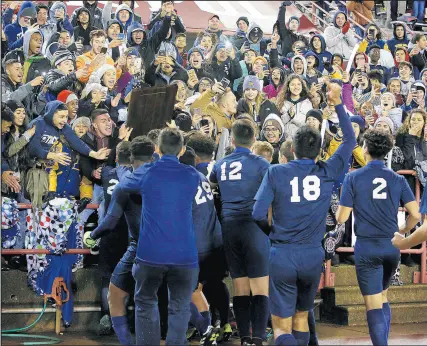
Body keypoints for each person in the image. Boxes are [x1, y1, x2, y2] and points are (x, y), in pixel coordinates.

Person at [252, 81, 356, 346]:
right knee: (301, 319)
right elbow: (352, 140)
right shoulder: (327, 171)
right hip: (313, 255)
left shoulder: (276, 171)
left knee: (281, 327)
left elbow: (256, 214)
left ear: (293, 150)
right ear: (319, 150)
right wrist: (339, 104)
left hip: (283, 253)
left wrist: (273, 233)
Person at [336, 129, 420, 346]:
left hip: (366, 247)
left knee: (373, 305)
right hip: (392, 246)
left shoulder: (352, 177)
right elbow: (416, 214)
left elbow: (342, 217)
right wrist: (402, 231)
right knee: (383, 297)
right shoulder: (397, 178)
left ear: (365, 149)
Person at [120, 128, 200, 345]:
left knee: (145, 302)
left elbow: (124, 184)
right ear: (182, 150)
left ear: (156, 148)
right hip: (185, 255)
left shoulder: (147, 172)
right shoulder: (192, 175)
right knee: (180, 306)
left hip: (151, 253)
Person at [84, 137, 155, 345]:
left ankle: (109, 318)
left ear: (118, 157)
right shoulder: (150, 177)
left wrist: (93, 235)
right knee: (145, 288)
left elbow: (109, 215)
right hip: (143, 235)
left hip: (113, 233)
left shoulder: (109, 173)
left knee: (110, 279)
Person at [209, 119, 270, 346]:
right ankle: (258, 338)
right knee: (260, 286)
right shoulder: (262, 164)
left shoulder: (220, 165)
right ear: (254, 140)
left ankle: (244, 337)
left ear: (232, 140)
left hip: (229, 227)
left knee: (241, 285)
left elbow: (211, 186)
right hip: (254, 226)